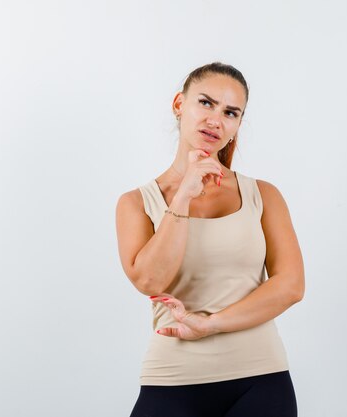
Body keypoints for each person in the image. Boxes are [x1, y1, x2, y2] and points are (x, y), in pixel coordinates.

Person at [115, 62, 305, 417]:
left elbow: (291, 286)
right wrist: (183, 195)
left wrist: (210, 324)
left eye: (230, 112)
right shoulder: (137, 203)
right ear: (178, 104)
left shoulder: (263, 195)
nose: (216, 119)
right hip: (171, 379)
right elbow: (151, 280)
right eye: (206, 103)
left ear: (237, 125)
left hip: (260, 378)